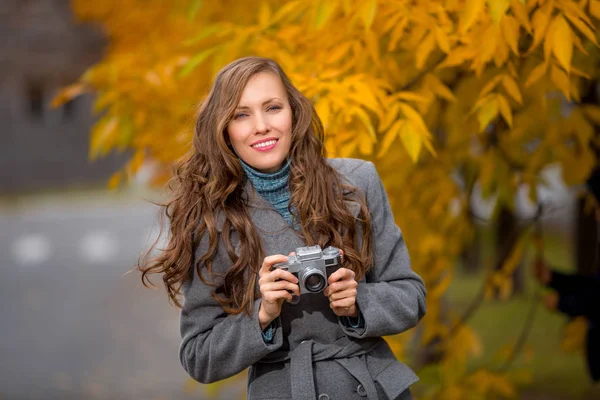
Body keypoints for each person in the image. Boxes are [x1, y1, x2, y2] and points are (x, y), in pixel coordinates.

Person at [138, 56, 427, 400]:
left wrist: (358, 301)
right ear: (224, 130)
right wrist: (262, 314)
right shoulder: (211, 221)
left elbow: (411, 296)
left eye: (272, 107)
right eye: (241, 114)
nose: (261, 126)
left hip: (372, 386)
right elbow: (199, 356)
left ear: (293, 113)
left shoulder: (356, 183)